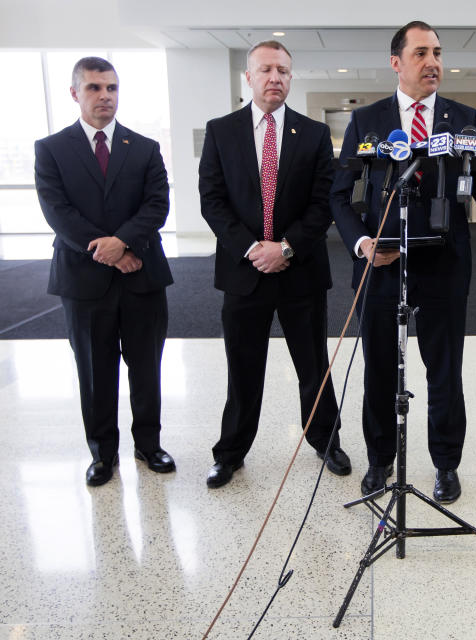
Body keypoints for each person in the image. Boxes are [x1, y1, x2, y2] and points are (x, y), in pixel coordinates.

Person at [330, 21, 476, 503]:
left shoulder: (464, 119)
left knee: (444, 370)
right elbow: (340, 196)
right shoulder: (368, 120)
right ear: (396, 62)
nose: (432, 61)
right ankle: (379, 461)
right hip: (381, 264)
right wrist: (362, 244)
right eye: (420, 53)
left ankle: (445, 464)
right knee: (378, 368)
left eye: (437, 52)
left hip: (445, 264)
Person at [199, 41, 351, 488]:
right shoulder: (221, 131)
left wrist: (284, 248)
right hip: (243, 272)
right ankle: (230, 452)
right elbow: (213, 200)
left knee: (313, 364)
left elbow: (323, 203)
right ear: (248, 77)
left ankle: (326, 439)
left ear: (291, 77)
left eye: (283, 70)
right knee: (243, 368)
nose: (275, 78)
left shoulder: (314, 134)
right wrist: (253, 249)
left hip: (299, 271)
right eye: (265, 69)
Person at [35, 57, 175, 487]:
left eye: (112, 88)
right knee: (94, 372)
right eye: (95, 88)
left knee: (146, 367)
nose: (105, 97)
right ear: (75, 93)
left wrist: (126, 244)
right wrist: (110, 250)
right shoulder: (52, 149)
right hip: (84, 280)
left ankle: (148, 445)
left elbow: (157, 205)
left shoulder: (144, 147)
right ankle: (102, 453)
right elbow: (57, 211)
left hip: (142, 277)